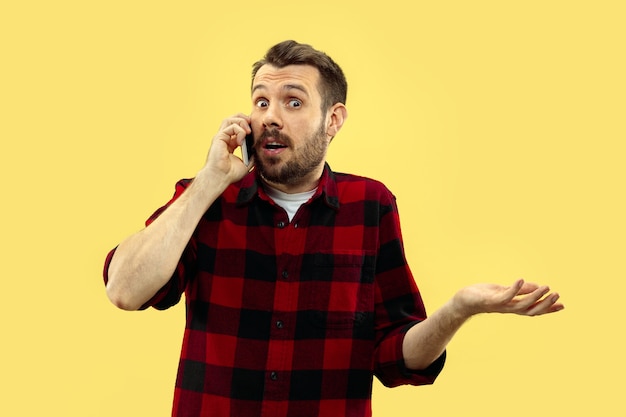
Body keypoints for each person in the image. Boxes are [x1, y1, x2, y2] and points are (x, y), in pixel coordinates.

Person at [103, 40, 564, 417]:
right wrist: (207, 183)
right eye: (261, 101)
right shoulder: (206, 199)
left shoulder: (371, 206)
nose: (270, 117)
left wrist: (459, 309)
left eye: (293, 102)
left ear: (334, 119)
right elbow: (124, 289)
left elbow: (396, 355)